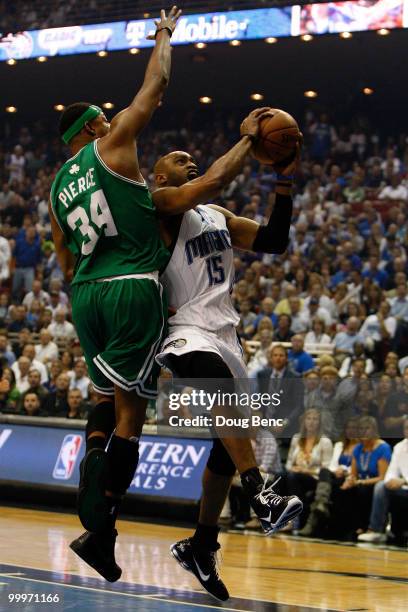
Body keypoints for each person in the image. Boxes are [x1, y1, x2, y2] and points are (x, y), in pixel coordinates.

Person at [49, 7, 182, 584]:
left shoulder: (55, 185)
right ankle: (101, 526)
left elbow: (63, 254)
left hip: (86, 296)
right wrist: (163, 34)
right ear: (91, 130)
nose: (110, 121)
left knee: (104, 401)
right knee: (135, 411)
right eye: (102, 118)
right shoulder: (115, 143)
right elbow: (156, 85)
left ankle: (92, 507)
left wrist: (89, 281)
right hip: (131, 286)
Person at [152, 128, 303, 600]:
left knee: (225, 447)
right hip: (184, 327)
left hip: (225, 333)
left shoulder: (216, 215)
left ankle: (201, 543)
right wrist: (248, 138)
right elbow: (215, 179)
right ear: (160, 175)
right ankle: (261, 491)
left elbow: (275, 240)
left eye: (191, 157)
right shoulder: (160, 204)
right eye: (180, 159)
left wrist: (284, 182)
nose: (189, 161)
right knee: (217, 393)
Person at [299, 417, 359, 537]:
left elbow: (357, 468)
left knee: (320, 490)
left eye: (353, 428)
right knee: (324, 471)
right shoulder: (339, 445)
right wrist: (336, 470)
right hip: (334, 476)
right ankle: (321, 502)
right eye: (348, 428)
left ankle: (315, 515)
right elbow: (331, 466)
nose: (350, 430)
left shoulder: (360, 447)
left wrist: (345, 471)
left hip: (349, 478)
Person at [336, 416, 391, 540]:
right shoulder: (358, 448)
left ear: (374, 430)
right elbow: (353, 474)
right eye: (361, 429)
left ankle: (366, 527)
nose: (364, 432)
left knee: (362, 490)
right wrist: (349, 481)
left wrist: (360, 482)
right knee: (341, 488)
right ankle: (343, 528)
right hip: (360, 482)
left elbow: (383, 477)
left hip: (375, 484)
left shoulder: (383, 448)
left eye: (367, 428)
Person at [358, 418, 408, 544]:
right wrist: (390, 481)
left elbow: (402, 479)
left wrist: (403, 481)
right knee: (381, 486)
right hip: (403, 488)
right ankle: (376, 531)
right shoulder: (400, 447)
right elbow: (391, 471)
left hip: (405, 484)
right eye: (406, 428)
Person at [283, 408, 333, 530]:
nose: (311, 422)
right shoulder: (296, 438)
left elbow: (327, 469)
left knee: (293, 478)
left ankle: (294, 519)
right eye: (308, 419)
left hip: (314, 478)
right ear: (303, 421)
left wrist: (306, 471)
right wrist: (293, 468)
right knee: (282, 477)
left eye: (315, 419)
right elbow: (289, 463)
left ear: (319, 423)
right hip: (296, 475)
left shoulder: (325, 441)